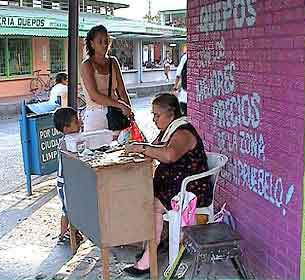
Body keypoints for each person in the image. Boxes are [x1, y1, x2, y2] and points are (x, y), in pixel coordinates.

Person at [124, 94, 211, 276]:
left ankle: (148, 258)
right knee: (141, 195)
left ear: (171, 114)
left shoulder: (183, 132)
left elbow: (169, 155)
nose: (154, 119)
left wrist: (140, 148)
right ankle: (153, 243)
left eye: (157, 115)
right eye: (152, 115)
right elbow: (154, 148)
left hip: (191, 190)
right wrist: (137, 146)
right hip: (174, 185)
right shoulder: (169, 130)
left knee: (151, 205)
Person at [80, 25, 132, 133]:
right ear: (92, 44)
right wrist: (120, 105)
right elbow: (94, 96)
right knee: (96, 149)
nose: (104, 45)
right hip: (96, 116)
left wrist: (129, 110)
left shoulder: (113, 62)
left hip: (116, 114)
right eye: (100, 41)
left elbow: (122, 91)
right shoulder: (87, 65)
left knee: (120, 148)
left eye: (106, 41)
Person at [53, 107, 82, 243]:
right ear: (65, 128)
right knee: (67, 210)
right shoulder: (65, 142)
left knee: (74, 208)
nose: (79, 123)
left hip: (73, 181)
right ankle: (63, 234)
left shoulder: (75, 138)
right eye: (75, 122)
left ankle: (73, 231)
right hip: (64, 183)